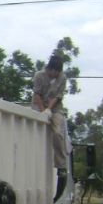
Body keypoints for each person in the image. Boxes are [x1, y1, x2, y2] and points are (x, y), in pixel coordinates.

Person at [32, 55, 70, 196]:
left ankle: (61, 165)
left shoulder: (62, 78)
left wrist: (49, 110)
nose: (56, 75)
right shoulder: (39, 76)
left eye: (58, 73)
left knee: (58, 132)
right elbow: (37, 95)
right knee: (35, 129)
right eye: (54, 72)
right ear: (50, 69)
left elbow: (57, 96)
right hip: (38, 105)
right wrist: (43, 111)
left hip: (55, 108)